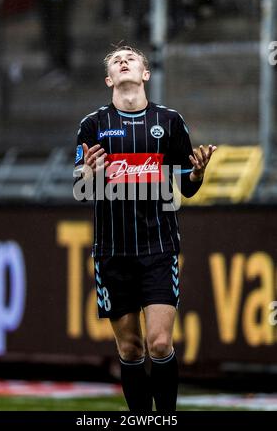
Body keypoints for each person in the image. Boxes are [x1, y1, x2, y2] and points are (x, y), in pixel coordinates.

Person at [73, 44, 216, 412]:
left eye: (131, 58)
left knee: (159, 343)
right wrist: (88, 174)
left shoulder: (169, 122)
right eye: (116, 61)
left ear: (145, 74)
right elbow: (80, 188)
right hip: (112, 252)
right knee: (131, 348)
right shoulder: (92, 125)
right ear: (109, 79)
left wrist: (197, 173)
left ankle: (165, 419)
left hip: (158, 247)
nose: (124, 61)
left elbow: (186, 186)